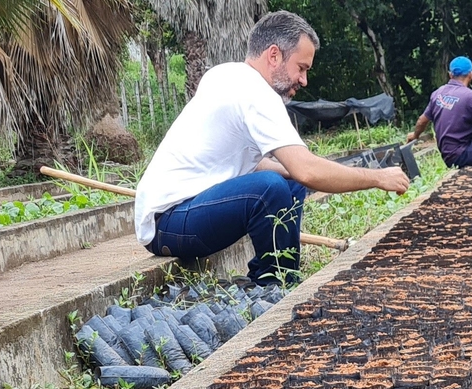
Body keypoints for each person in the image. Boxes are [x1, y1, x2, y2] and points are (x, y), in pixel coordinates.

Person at [135, 12, 410, 285]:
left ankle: (276, 274)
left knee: (288, 183)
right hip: (168, 224)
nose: (304, 80)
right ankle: (274, 285)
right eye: (301, 68)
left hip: (182, 213)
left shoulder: (225, 74)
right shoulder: (256, 94)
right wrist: (377, 177)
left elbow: (247, 162)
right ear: (274, 55)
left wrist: (291, 171)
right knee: (271, 187)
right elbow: (307, 170)